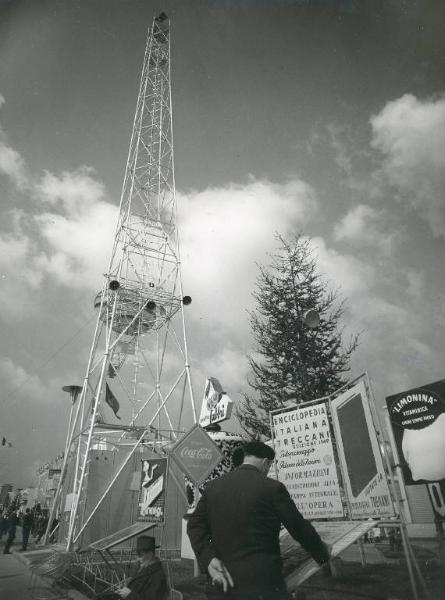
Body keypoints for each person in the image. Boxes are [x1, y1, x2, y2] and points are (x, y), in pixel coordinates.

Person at [187, 440, 330, 600]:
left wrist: (209, 558)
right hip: (263, 584)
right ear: (265, 462)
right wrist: (322, 555)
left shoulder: (213, 487)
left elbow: (194, 526)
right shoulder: (273, 488)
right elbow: (299, 528)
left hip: (223, 582)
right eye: (269, 466)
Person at [96, 535, 168, 600]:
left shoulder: (158, 576)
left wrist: (129, 594)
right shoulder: (145, 569)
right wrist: (124, 589)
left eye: (140, 555)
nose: (138, 559)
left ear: (150, 554)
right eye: (137, 555)